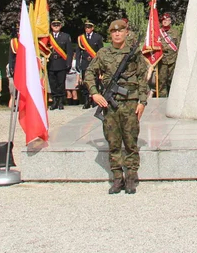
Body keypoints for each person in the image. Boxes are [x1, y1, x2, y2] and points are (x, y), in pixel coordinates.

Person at [86, 20, 148, 194]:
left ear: (126, 32)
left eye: (120, 31)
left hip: (130, 102)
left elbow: (143, 77)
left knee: (130, 141)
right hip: (110, 105)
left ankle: (131, 178)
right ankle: (117, 178)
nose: (117, 34)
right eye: (114, 32)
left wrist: (142, 101)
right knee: (113, 142)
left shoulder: (134, 52)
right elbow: (89, 73)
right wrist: (94, 93)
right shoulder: (103, 53)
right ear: (110, 34)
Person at [46, 19, 73, 110]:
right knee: (52, 83)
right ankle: (54, 101)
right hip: (51, 63)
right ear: (51, 26)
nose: (56, 26)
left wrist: (68, 63)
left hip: (61, 63)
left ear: (60, 26)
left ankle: (61, 101)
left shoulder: (65, 36)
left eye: (58, 25)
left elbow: (69, 51)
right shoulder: (47, 37)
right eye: (54, 25)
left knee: (61, 83)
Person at [76, 21, 102, 108]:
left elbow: (101, 51)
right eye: (86, 28)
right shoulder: (81, 38)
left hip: (94, 63)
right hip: (84, 63)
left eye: (89, 27)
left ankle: (95, 100)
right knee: (85, 83)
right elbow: (78, 52)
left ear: (92, 28)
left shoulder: (97, 37)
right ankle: (86, 101)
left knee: (95, 82)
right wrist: (77, 63)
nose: (87, 29)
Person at [157, 13, 181, 97]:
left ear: (170, 21)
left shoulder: (175, 32)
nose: (165, 22)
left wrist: (179, 60)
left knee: (173, 81)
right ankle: (162, 99)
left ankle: (173, 99)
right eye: (163, 20)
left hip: (173, 60)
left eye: (167, 20)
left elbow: (178, 46)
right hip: (162, 60)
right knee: (161, 81)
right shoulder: (158, 32)